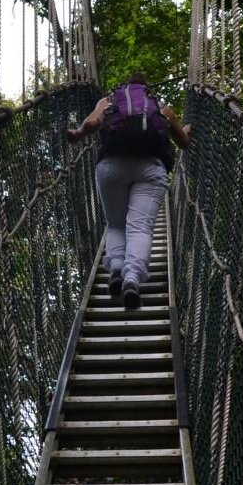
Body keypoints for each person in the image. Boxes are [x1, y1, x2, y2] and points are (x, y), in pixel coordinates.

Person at [67, 74, 191, 310]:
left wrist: (77, 133)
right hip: (150, 168)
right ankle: (132, 279)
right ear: (147, 91)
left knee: (116, 225)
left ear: (124, 88)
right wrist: (185, 130)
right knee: (140, 227)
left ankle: (115, 269)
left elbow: (92, 125)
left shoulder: (108, 102)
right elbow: (183, 143)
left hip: (111, 166)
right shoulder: (161, 109)